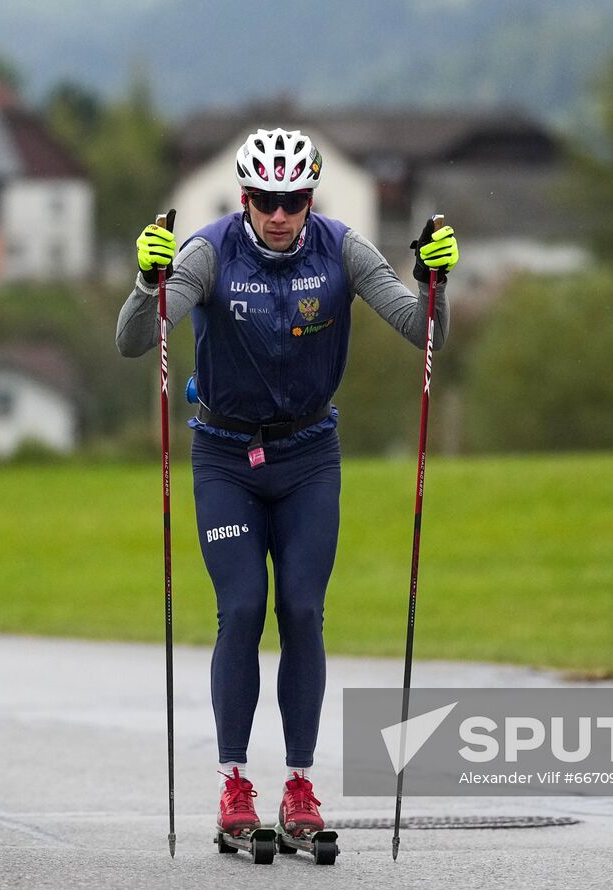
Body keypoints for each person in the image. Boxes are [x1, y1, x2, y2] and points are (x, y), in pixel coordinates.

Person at [115, 127, 458, 840]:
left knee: (302, 610)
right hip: (224, 456)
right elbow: (137, 338)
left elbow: (421, 330)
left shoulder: (342, 249)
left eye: (293, 199)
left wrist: (434, 282)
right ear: (245, 197)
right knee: (241, 608)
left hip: (308, 457)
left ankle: (300, 787)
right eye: (265, 199)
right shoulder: (210, 251)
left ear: (310, 197)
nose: (278, 213)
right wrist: (146, 282)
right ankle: (234, 784)